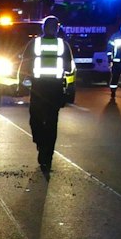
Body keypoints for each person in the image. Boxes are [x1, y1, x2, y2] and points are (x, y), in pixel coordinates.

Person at [27, 16, 76, 172]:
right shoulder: (64, 45)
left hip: (38, 87)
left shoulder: (34, 44)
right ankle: (46, 154)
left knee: (35, 118)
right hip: (54, 88)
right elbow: (69, 68)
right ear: (57, 28)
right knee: (51, 122)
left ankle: (41, 145)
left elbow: (24, 63)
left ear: (43, 28)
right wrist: (69, 88)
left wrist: (22, 82)